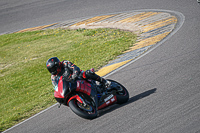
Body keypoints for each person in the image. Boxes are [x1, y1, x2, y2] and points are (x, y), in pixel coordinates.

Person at [46, 57, 111, 91]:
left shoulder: (65, 63)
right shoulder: (53, 77)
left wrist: (75, 74)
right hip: (70, 85)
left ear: (57, 65)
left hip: (78, 77)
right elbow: (56, 86)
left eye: (52, 68)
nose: (52, 71)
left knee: (87, 73)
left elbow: (75, 68)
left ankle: (104, 81)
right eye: (50, 70)